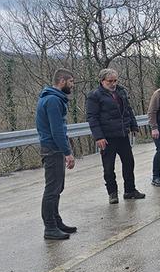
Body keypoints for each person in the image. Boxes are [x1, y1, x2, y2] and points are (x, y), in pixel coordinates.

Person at [86, 68, 145, 204]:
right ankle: (112, 193)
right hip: (107, 137)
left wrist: (133, 125)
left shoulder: (121, 91)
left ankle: (130, 190)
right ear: (102, 81)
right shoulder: (94, 95)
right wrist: (98, 137)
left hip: (122, 134)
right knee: (108, 167)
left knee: (129, 163)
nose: (113, 84)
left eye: (115, 80)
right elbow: (92, 117)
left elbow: (128, 110)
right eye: (110, 81)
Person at [36, 68, 77, 240]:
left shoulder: (54, 98)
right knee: (52, 188)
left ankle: (56, 220)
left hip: (54, 148)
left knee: (58, 187)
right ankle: (50, 227)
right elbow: (57, 130)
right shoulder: (53, 100)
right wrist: (67, 152)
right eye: (71, 82)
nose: (72, 85)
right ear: (62, 81)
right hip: (52, 148)